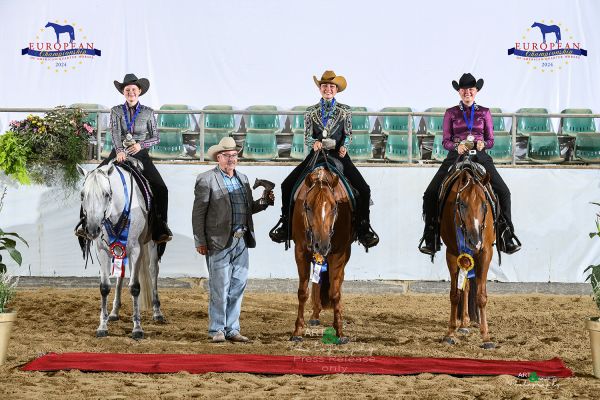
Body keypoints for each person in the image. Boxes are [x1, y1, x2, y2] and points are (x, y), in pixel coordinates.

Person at [270, 70, 379, 249]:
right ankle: (286, 224)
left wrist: (345, 146)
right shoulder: (310, 112)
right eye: (325, 86)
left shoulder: (345, 111)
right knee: (287, 185)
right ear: (320, 89)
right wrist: (314, 142)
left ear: (336, 90)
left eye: (331, 86)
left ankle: (363, 227)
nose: (328, 89)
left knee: (364, 189)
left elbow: (348, 135)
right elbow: (307, 136)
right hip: (317, 155)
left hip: (338, 154)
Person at [418, 73, 521, 255]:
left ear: (476, 91)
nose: (468, 92)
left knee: (504, 192)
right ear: (459, 92)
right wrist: (456, 147)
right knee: (430, 193)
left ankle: (506, 234)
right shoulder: (451, 113)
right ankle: (431, 235)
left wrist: (484, 144)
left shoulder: (485, 112)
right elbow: (445, 141)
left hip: (479, 156)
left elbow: (490, 140)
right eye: (464, 89)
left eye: (471, 89)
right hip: (456, 156)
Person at [192, 137, 274, 343]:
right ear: (218, 158)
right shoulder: (206, 179)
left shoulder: (243, 179)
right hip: (217, 242)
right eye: (227, 156)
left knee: (237, 286)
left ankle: (232, 329)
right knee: (220, 287)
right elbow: (198, 214)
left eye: (234, 155)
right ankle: (217, 329)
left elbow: (247, 209)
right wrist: (199, 240)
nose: (231, 159)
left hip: (241, 240)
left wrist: (264, 202)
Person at [75, 73, 172, 243]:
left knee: (161, 188)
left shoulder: (148, 112)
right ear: (123, 92)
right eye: (127, 90)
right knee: (92, 181)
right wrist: (119, 150)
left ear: (139, 91)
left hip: (140, 154)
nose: (131, 92)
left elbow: (156, 137)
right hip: (118, 153)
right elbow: (114, 132)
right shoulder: (116, 111)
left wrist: (140, 145)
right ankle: (84, 223)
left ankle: (160, 227)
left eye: (134, 89)